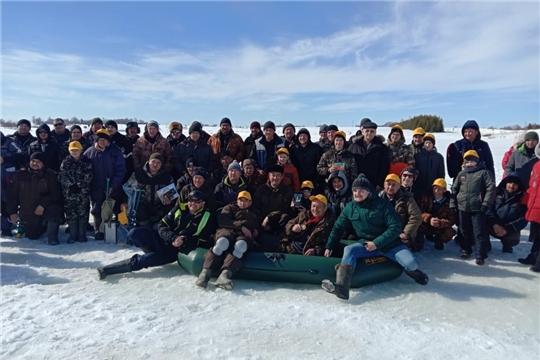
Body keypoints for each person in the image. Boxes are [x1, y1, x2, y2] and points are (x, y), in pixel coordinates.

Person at [322, 174, 429, 300]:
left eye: (361, 190)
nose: (357, 193)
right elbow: (338, 228)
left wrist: (376, 243)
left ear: (369, 192)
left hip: (390, 244)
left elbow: (395, 227)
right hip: (367, 245)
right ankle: (342, 287)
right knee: (349, 250)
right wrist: (329, 246)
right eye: (355, 190)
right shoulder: (350, 207)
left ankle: (414, 273)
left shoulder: (382, 205)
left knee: (411, 263)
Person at [97, 190, 215, 280]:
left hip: (173, 251)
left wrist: (183, 241)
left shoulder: (207, 217)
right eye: (190, 200)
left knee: (142, 261)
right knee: (134, 233)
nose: (192, 203)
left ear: (203, 203)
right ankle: (152, 252)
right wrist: (173, 237)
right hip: (165, 239)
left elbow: (203, 240)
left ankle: (107, 270)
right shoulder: (179, 208)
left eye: (196, 201)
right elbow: (161, 225)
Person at [195, 191, 259, 290]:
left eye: (245, 201)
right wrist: (241, 226)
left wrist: (255, 231)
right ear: (237, 200)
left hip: (242, 236)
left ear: (250, 202)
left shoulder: (254, 213)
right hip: (227, 231)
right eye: (240, 200)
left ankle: (225, 274)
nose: (242, 202)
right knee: (222, 242)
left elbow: (255, 225)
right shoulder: (228, 208)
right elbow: (223, 221)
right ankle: (205, 273)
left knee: (241, 245)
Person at [450, 150, 496, 265]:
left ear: (477, 161)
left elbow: (491, 188)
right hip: (463, 207)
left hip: (478, 208)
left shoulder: (484, 173)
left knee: (479, 231)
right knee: (464, 230)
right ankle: (465, 250)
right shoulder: (462, 174)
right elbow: (454, 190)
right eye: (467, 160)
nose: (469, 163)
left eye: (472, 160)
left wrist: (486, 203)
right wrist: (452, 203)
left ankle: (480, 254)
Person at [7, 152, 63, 244]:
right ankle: (42, 225)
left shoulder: (50, 175)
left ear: (43, 163)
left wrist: (42, 205)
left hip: (44, 207)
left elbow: (55, 194)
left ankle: (52, 236)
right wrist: (12, 212)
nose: (34, 163)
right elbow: (11, 195)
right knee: (32, 235)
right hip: (28, 210)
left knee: (55, 209)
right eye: (33, 161)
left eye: (38, 161)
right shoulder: (20, 175)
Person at [83, 129, 126, 240]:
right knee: (97, 209)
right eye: (100, 140)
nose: (102, 142)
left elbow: (120, 170)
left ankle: (116, 228)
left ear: (108, 141)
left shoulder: (115, 152)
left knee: (115, 208)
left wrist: (113, 186)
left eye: (104, 140)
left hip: (113, 187)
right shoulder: (89, 152)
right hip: (96, 187)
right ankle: (99, 229)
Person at [124, 153, 175, 227]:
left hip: (159, 205)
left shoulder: (166, 176)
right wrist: (125, 202)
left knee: (169, 210)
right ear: (148, 161)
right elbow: (128, 189)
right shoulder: (138, 174)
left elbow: (172, 192)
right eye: (153, 161)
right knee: (141, 212)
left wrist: (170, 200)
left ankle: (161, 229)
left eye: (158, 163)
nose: (155, 164)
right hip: (143, 205)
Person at [58, 141, 93, 243]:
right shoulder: (65, 162)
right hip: (69, 194)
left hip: (83, 193)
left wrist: (80, 185)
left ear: (81, 150)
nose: (74, 152)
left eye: (76, 150)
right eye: (72, 150)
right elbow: (61, 175)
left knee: (83, 213)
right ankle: (73, 235)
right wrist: (71, 185)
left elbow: (89, 175)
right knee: (71, 214)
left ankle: (82, 235)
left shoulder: (87, 162)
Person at [486, 173, 527, 253]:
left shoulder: (523, 199)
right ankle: (485, 245)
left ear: (519, 186)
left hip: (508, 227)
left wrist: (508, 229)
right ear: (505, 183)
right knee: (480, 225)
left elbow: (524, 219)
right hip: (493, 224)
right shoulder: (495, 193)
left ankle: (507, 245)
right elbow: (488, 209)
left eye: (515, 184)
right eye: (510, 183)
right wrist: (494, 224)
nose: (511, 186)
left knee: (512, 239)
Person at [379, 174, 422, 252]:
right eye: (388, 184)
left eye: (394, 185)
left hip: (399, 233)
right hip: (382, 232)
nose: (390, 187)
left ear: (399, 186)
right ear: (384, 185)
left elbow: (416, 216)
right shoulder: (378, 198)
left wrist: (406, 233)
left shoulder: (407, 199)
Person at [348, 120, 390, 191]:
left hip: (373, 183)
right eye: (367, 131)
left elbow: (384, 167)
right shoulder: (354, 146)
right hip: (355, 183)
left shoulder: (382, 148)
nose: (369, 133)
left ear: (375, 133)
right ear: (362, 132)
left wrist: (379, 183)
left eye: (372, 131)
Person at [252, 164, 293, 234]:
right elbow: (255, 207)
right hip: (262, 220)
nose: (275, 178)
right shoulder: (261, 189)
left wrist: (269, 217)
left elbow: (284, 208)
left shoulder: (287, 190)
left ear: (282, 176)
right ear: (269, 176)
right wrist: (263, 220)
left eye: (278, 175)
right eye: (273, 175)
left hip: (277, 219)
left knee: (285, 217)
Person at [417, 178, 456, 251]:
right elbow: (419, 212)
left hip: (440, 226)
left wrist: (440, 223)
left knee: (449, 232)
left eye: (439, 189)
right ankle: (419, 241)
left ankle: (439, 240)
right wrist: (429, 219)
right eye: (434, 188)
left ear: (444, 190)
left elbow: (452, 220)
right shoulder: (426, 198)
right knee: (417, 224)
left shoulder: (450, 202)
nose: (436, 191)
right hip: (427, 223)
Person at [518, 143, 540, 272]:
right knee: (536, 236)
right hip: (534, 207)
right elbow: (532, 187)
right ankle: (533, 256)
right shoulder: (536, 165)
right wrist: (525, 202)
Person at [1, 131, 23, 236]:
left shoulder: (10, 142)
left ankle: (6, 227)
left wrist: (4, 159)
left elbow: (20, 155)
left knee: (7, 202)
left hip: (8, 176)